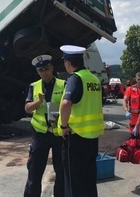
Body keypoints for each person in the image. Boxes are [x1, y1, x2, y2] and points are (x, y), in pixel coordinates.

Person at [58, 45, 104, 197]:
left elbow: (66, 103)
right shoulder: (94, 79)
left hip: (75, 137)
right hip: (92, 138)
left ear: (68, 62)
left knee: (74, 181)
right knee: (89, 179)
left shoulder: (75, 79)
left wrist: (63, 126)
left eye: (65, 61)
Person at [24, 54, 65, 197]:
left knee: (61, 171)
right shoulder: (33, 86)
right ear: (37, 72)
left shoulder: (63, 84)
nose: (44, 72)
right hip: (40, 134)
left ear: (52, 68)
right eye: (41, 70)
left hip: (59, 134)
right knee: (34, 170)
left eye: (47, 69)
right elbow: (27, 108)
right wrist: (38, 102)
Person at [123, 72, 140, 136]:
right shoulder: (130, 89)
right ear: (136, 79)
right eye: (138, 79)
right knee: (133, 138)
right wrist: (126, 111)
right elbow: (125, 101)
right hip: (133, 117)